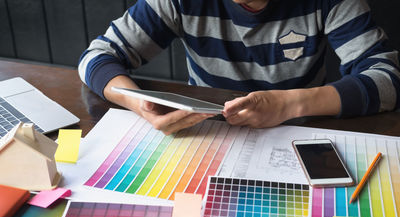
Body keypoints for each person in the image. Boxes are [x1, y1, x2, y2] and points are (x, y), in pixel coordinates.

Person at [78, 0, 400, 135]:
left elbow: (388, 78)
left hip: (301, 135)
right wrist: (141, 104)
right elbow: (97, 57)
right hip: (206, 135)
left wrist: (289, 104)